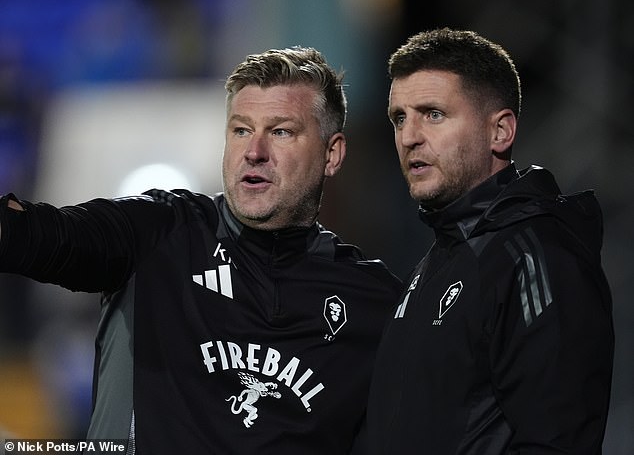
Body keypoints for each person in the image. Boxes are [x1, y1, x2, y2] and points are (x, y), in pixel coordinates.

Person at [0, 47, 402, 454]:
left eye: (281, 132)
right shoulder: (158, 232)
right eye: (241, 130)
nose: (254, 151)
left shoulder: (376, 304)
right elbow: (36, 233)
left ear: (332, 154)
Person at [363, 28, 614, 454]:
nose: (409, 137)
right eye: (400, 118)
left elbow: (557, 442)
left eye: (433, 114)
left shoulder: (537, 257)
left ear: (500, 132)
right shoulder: (439, 260)